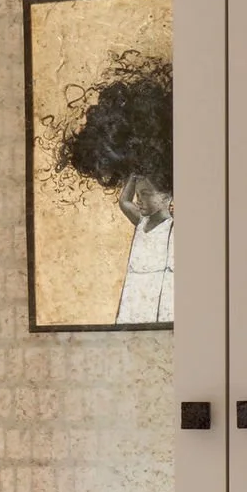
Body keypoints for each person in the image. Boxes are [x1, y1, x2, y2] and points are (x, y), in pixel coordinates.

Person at [56, 48, 173, 324]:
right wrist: (134, 172)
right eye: (139, 195)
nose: (140, 201)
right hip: (136, 296)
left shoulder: (174, 228)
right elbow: (124, 201)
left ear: (168, 194)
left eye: (145, 195)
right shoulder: (141, 224)